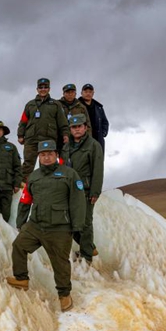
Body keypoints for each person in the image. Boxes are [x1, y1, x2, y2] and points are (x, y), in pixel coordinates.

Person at [7, 140, 85, 312]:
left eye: (50, 153)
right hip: (36, 225)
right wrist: (21, 222)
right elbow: (26, 199)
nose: (46, 157)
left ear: (56, 155)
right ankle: (21, 278)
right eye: (43, 154)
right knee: (19, 246)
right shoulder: (34, 176)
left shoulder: (69, 174)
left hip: (60, 228)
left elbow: (78, 201)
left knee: (60, 263)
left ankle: (64, 295)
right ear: (39, 157)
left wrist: (77, 226)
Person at [67, 113, 104, 263]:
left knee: (85, 223)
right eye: (73, 127)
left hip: (86, 191)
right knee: (71, 222)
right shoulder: (67, 146)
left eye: (79, 126)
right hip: (70, 191)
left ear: (85, 127)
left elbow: (98, 170)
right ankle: (89, 247)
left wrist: (95, 191)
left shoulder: (93, 145)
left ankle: (87, 257)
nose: (76, 129)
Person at [17, 78, 69, 181]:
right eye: (41, 87)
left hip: (48, 139)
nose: (43, 89)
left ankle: (47, 185)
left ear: (49, 89)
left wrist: (65, 134)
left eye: (45, 87)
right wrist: (20, 135)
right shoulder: (30, 104)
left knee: (47, 164)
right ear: (37, 89)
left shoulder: (56, 104)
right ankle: (23, 186)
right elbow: (23, 121)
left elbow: (62, 122)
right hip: (31, 139)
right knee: (28, 164)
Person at [79, 83, 110, 153]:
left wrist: (102, 134)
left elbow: (105, 122)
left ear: (93, 93)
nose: (88, 94)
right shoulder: (77, 106)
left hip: (97, 139)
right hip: (82, 139)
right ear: (81, 93)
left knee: (97, 158)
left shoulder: (99, 107)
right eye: (86, 92)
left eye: (90, 92)